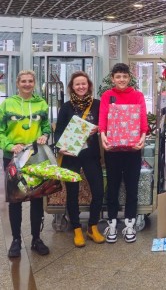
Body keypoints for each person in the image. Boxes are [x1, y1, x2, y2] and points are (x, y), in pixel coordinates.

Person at [0, 70, 51, 258]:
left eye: (30, 81)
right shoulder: (8, 104)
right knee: (16, 200)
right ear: (17, 83)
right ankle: (15, 240)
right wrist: (10, 145)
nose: (27, 84)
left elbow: (46, 127)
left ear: (34, 83)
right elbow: (0, 130)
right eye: (24, 81)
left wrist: (45, 135)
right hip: (12, 157)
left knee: (37, 198)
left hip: (35, 157)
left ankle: (36, 238)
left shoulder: (41, 103)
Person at [54, 71, 105, 248]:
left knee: (98, 190)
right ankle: (76, 228)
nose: (81, 87)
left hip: (91, 155)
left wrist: (98, 128)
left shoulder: (97, 105)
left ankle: (92, 226)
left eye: (84, 84)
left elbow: (105, 125)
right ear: (72, 87)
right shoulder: (66, 107)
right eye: (77, 84)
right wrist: (61, 147)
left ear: (89, 85)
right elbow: (58, 131)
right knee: (73, 193)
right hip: (71, 156)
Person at [99, 63, 147, 244]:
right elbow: (103, 116)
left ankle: (129, 223)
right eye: (118, 77)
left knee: (132, 188)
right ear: (113, 78)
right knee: (112, 187)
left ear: (129, 78)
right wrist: (103, 135)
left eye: (124, 76)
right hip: (112, 150)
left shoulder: (137, 96)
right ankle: (112, 223)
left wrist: (142, 136)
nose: (121, 80)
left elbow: (142, 117)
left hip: (133, 150)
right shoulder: (107, 95)